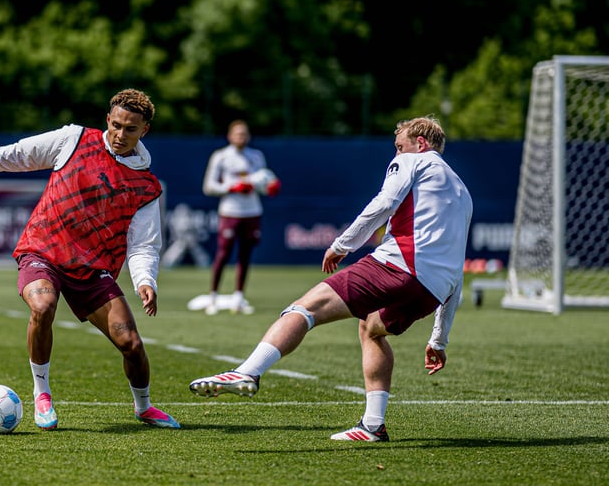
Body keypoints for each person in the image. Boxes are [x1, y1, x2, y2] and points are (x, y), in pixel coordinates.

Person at [189, 116, 472, 442]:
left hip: (398, 266)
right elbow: (457, 266)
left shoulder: (412, 161)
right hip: (432, 290)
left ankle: (247, 372)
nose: (396, 153)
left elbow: (384, 203)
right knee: (371, 329)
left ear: (420, 143)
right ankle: (373, 426)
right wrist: (438, 340)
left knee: (304, 308)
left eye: (399, 146)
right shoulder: (462, 192)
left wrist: (342, 244)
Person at [0, 88, 180, 430]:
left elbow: (143, 245)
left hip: (92, 268)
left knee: (132, 343)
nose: (120, 135)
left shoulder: (146, 186)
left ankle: (144, 407)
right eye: (116, 125)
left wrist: (145, 281)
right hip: (43, 250)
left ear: (145, 130)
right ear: (107, 119)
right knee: (43, 305)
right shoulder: (73, 139)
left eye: (131, 129)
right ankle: (42, 394)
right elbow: (20, 154)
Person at [200, 120, 280, 315]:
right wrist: (232, 187)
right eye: (237, 134)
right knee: (223, 253)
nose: (241, 137)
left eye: (244, 134)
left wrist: (269, 187)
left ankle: (239, 297)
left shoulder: (256, 156)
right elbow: (209, 186)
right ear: (230, 136)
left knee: (245, 254)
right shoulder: (221, 156)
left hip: (252, 211)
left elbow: (262, 182)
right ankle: (213, 296)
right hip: (230, 211)